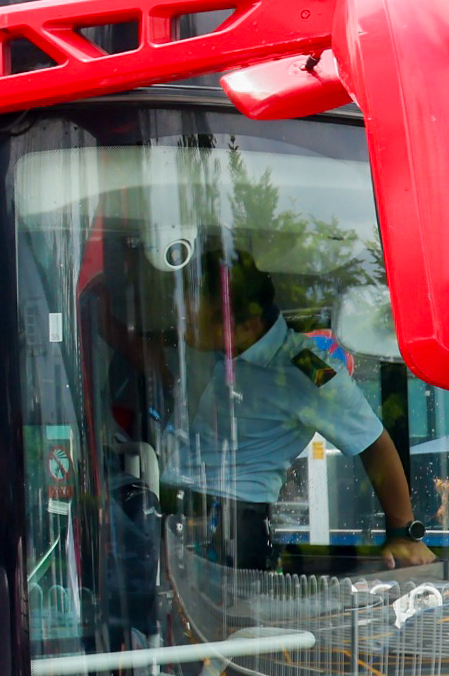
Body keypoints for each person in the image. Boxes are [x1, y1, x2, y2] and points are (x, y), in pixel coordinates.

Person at [167, 241, 432, 571]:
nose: (183, 326)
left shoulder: (306, 369)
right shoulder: (213, 350)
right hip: (181, 509)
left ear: (245, 327)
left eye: (193, 321)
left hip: (233, 525)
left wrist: (404, 533)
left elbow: (373, 441)